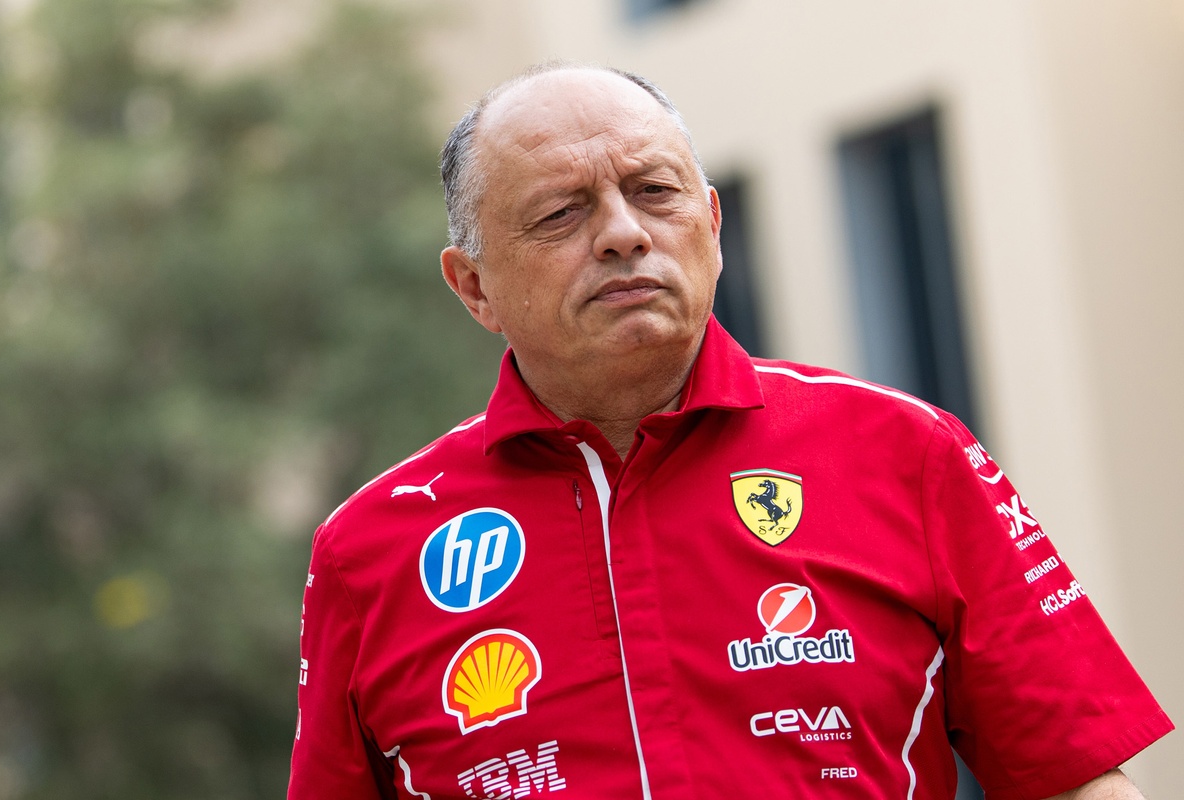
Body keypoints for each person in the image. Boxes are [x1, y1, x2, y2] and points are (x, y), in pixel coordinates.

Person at [287, 63, 1172, 799]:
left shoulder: (909, 452)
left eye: (654, 192)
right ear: (474, 287)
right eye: (562, 213)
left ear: (711, 226)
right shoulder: (368, 551)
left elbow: (1076, 779)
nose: (623, 234)